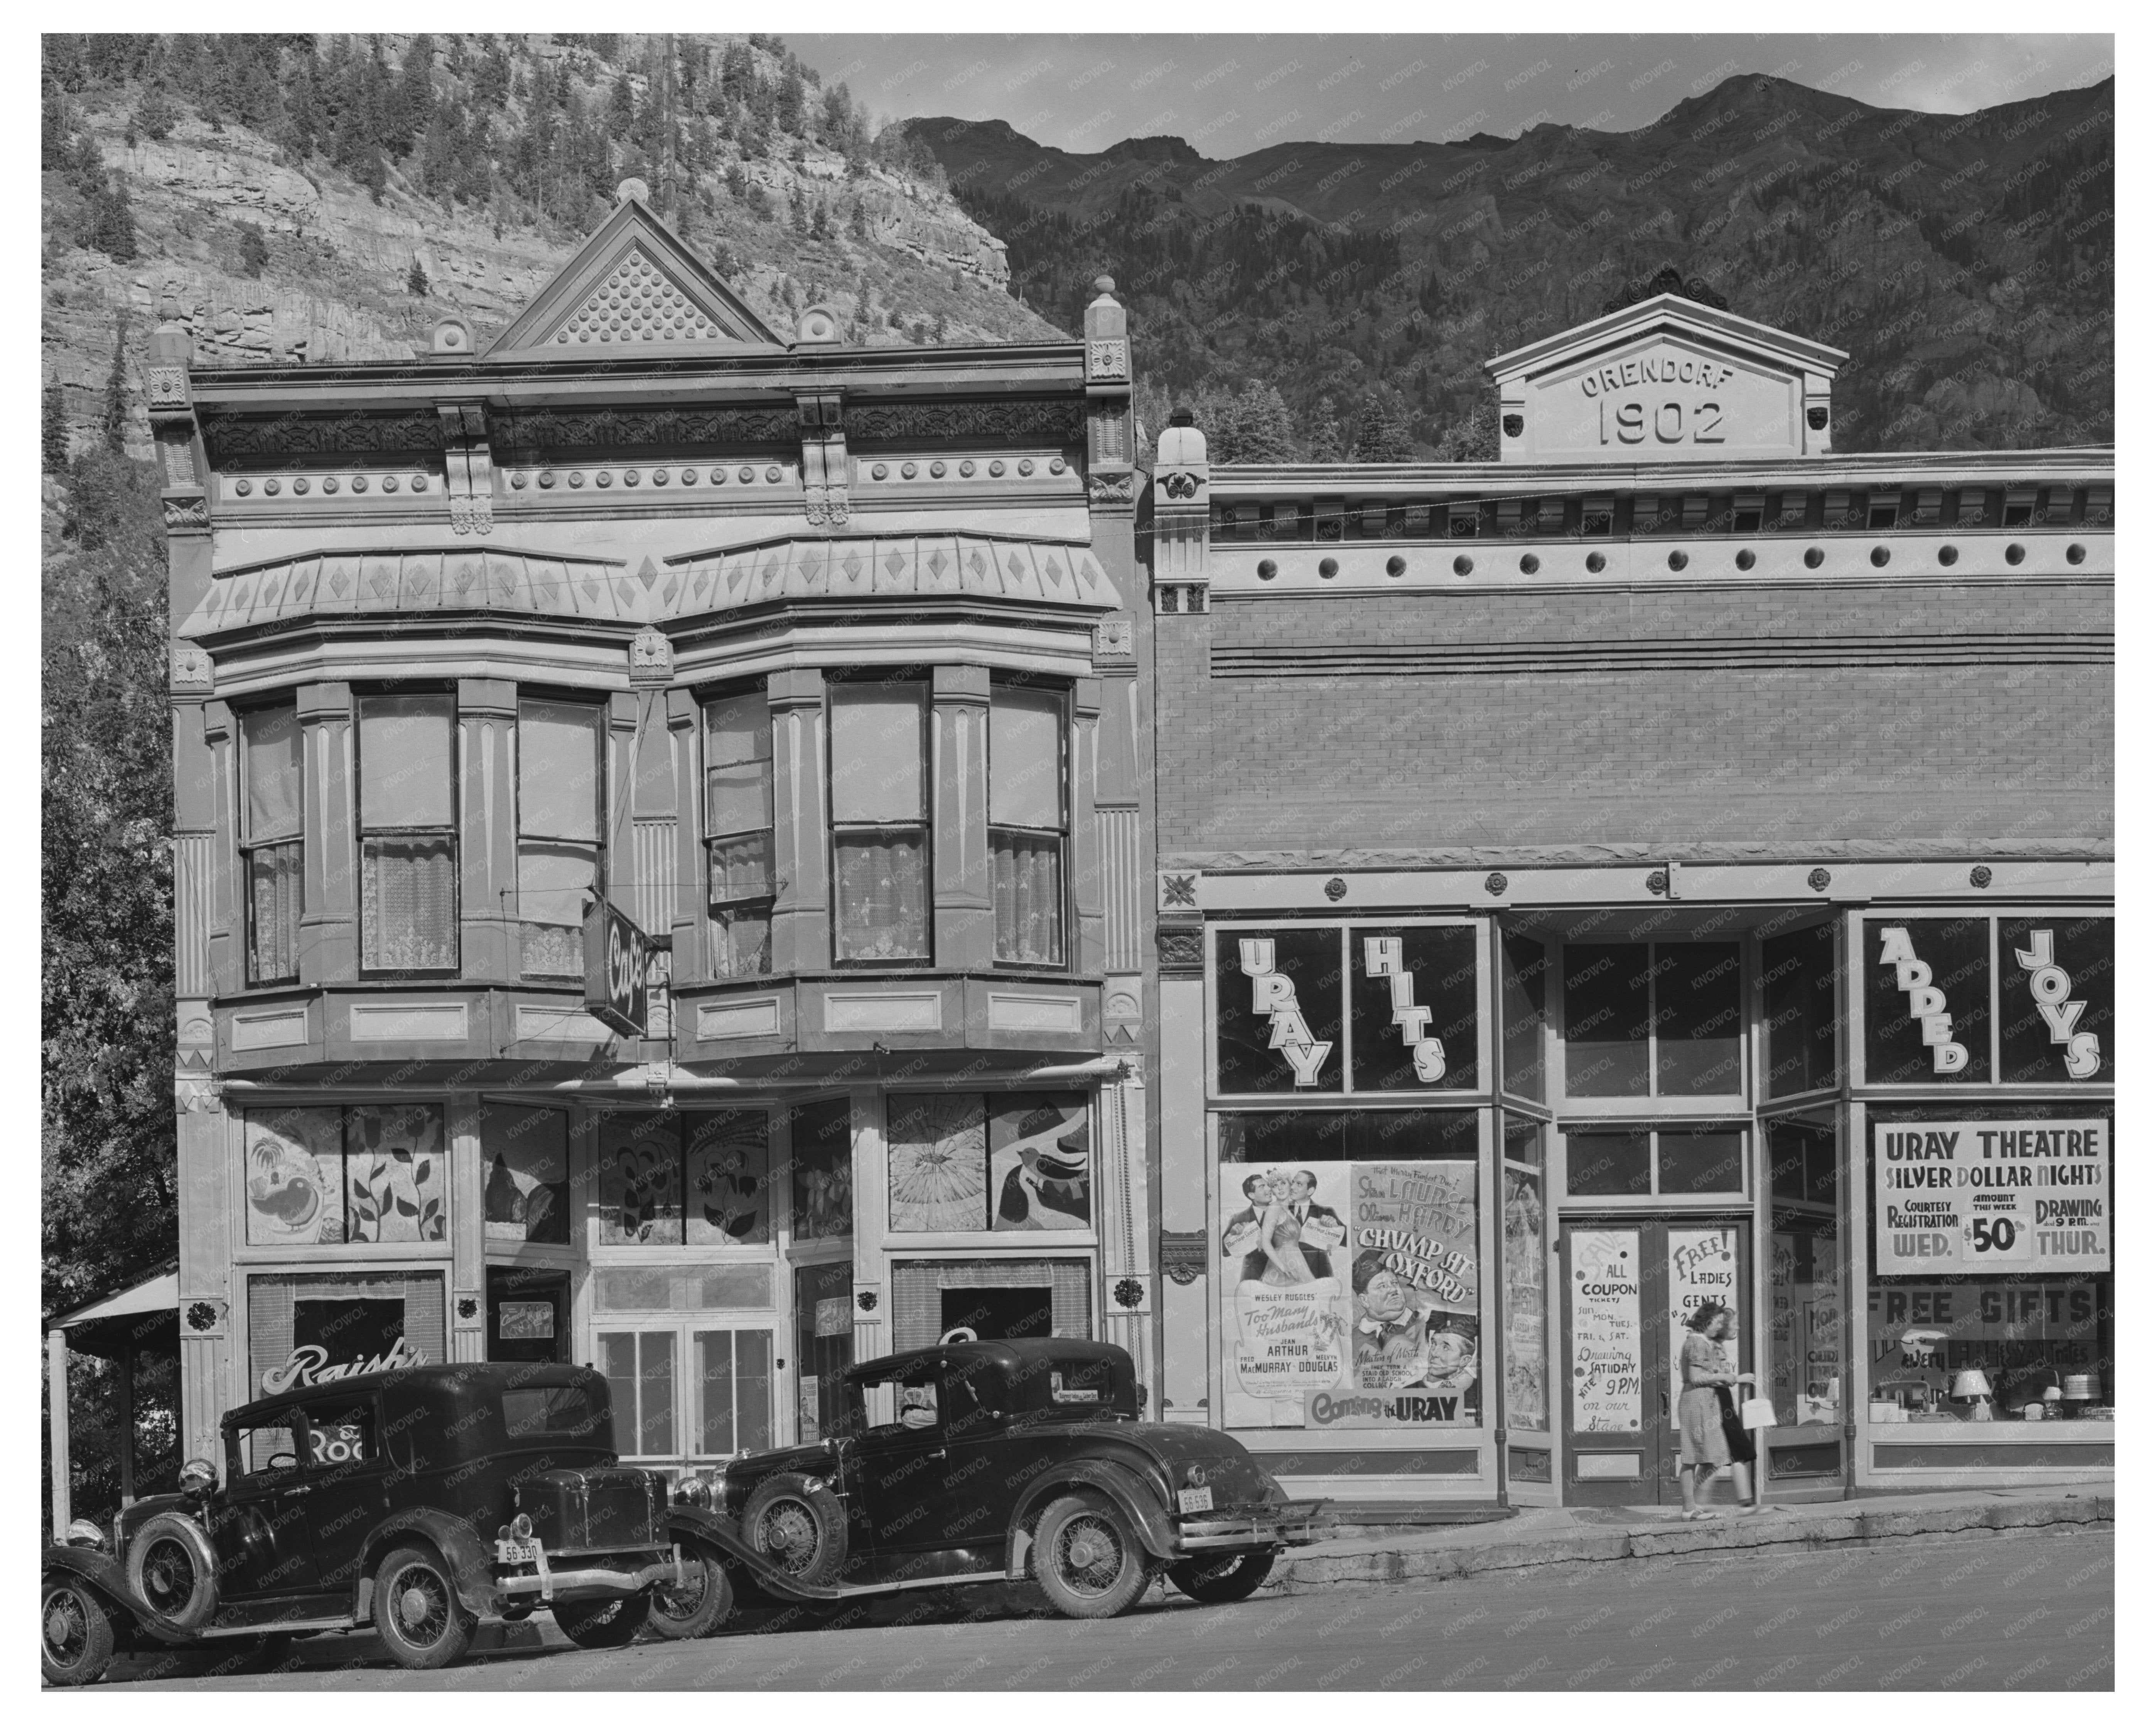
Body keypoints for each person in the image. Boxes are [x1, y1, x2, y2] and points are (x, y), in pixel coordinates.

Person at [1677, 1301, 1753, 1519]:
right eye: (1719, 1322)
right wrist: (1725, 1377)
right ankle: (1689, 1509)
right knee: (1692, 1457)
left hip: (1705, 1402)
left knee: (1712, 1457)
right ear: (1707, 1322)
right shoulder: (1698, 1343)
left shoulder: (1703, 1343)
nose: (1721, 1327)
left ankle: (1695, 1505)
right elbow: (1695, 1378)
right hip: (1697, 1402)